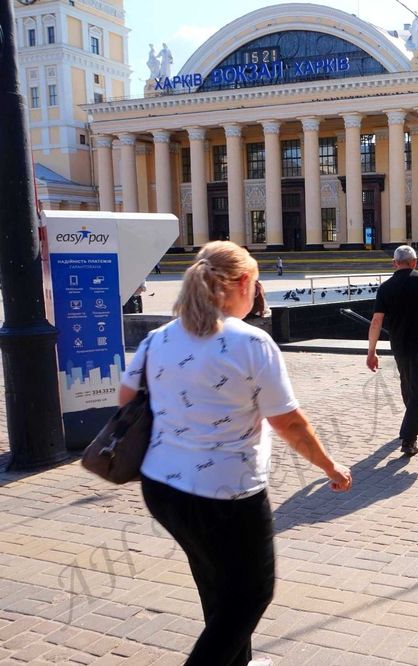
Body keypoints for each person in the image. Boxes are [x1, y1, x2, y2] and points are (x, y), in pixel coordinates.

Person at [120, 241, 352, 666]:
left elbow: (126, 398)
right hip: (226, 495)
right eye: (257, 283)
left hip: (162, 487)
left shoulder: (159, 337)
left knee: (215, 583)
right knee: (250, 595)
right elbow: (290, 424)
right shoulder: (250, 342)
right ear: (243, 282)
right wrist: (330, 466)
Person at [367, 246, 418, 455]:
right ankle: (409, 439)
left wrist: (371, 351)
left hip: (398, 345)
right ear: (414, 262)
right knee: (417, 393)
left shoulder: (386, 287)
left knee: (408, 385)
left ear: (395, 263)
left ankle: (409, 424)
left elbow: (376, 321)